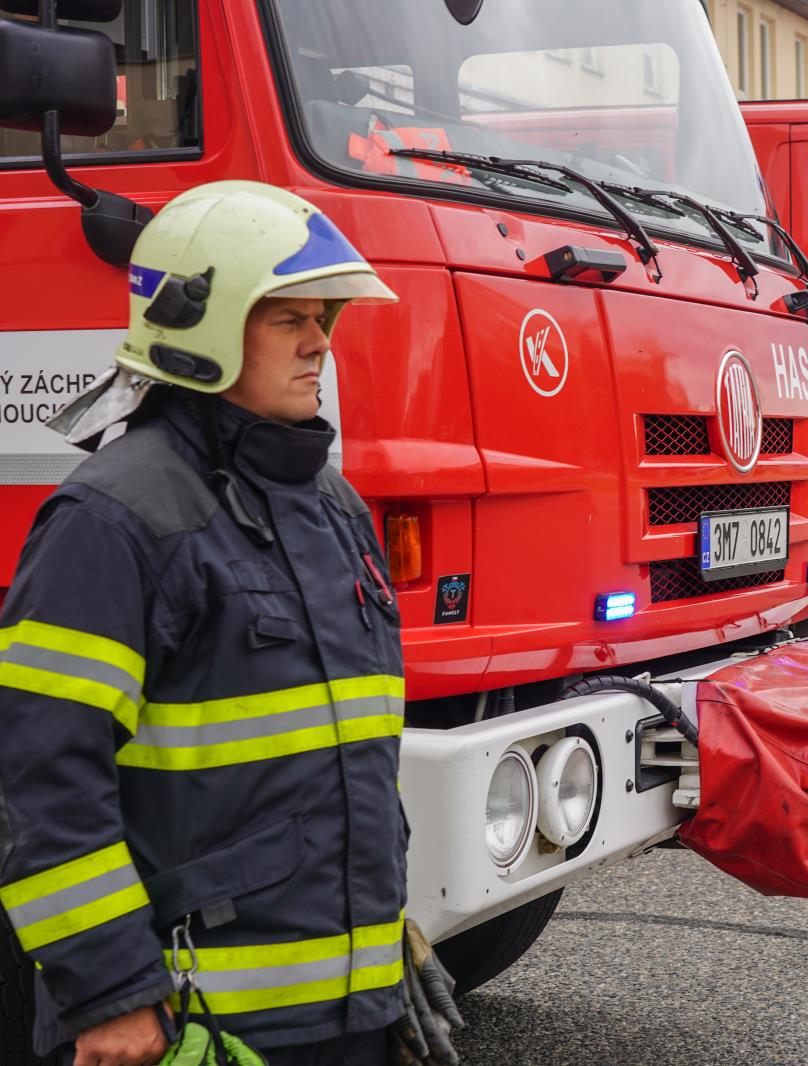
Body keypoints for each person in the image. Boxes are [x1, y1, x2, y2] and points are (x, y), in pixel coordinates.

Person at [0, 182, 427, 1065]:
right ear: (203, 329)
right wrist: (111, 992)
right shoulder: (113, 519)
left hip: (348, 1016)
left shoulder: (332, 503)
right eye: (287, 321)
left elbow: (341, 759)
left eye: (322, 319)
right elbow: (38, 781)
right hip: (196, 1017)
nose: (319, 343)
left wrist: (387, 933)